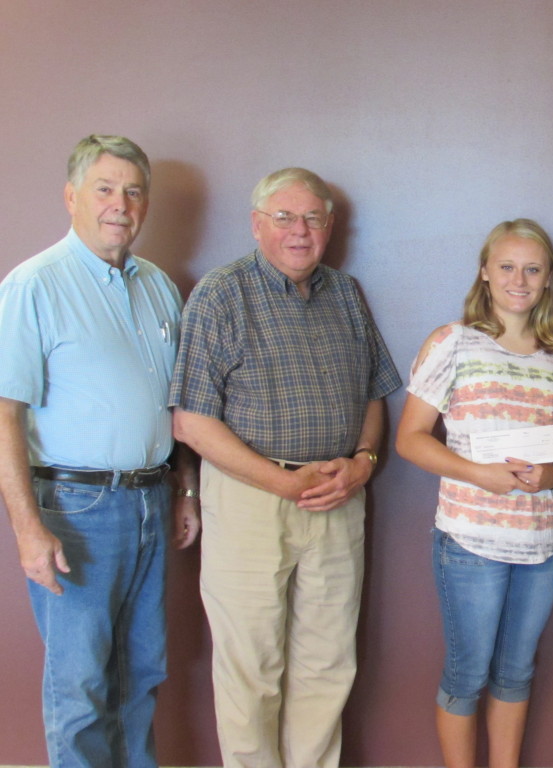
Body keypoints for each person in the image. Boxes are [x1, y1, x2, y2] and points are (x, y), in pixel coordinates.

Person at [170, 167, 400, 768]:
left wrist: (364, 462)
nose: (300, 231)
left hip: (338, 498)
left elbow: (374, 393)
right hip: (251, 499)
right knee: (251, 667)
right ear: (257, 224)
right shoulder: (221, 294)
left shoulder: (345, 293)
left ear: (329, 226)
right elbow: (191, 423)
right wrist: (282, 481)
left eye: (313, 218)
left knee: (327, 665)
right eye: (284, 217)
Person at [0, 134, 200, 767]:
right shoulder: (34, 285)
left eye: (133, 192)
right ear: (72, 197)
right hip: (74, 508)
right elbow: (4, 416)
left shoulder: (159, 287)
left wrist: (184, 488)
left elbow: (175, 405)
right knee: (81, 684)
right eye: (105, 189)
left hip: (151, 502)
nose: (121, 204)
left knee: (142, 673)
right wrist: (27, 529)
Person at [395, 219, 553, 768]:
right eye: (506, 266)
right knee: (467, 675)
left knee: (516, 673)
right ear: (485, 271)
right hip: (469, 543)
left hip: (542, 544)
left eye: (532, 269)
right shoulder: (453, 342)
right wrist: (475, 472)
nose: (518, 280)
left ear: (548, 278)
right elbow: (410, 438)